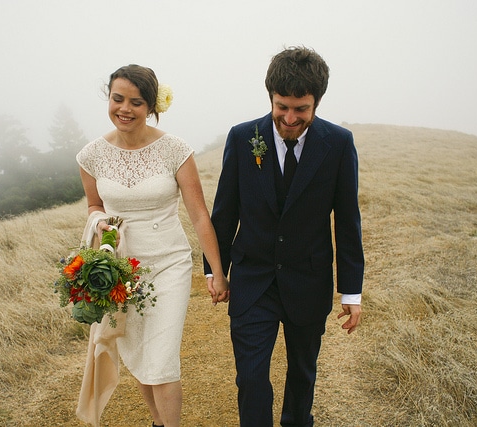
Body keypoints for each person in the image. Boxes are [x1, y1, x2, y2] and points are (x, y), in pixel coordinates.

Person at [204, 46, 364, 426]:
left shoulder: (339, 143)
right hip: (252, 280)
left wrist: (351, 292)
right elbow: (225, 212)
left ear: (317, 102)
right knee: (251, 378)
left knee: (302, 374)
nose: (290, 119)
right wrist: (215, 271)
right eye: (282, 107)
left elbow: (347, 220)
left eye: (301, 109)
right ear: (271, 97)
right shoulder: (242, 137)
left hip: (309, 280)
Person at [76, 64, 229, 427]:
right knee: (139, 355)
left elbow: (199, 215)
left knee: (161, 359)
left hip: (169, 264)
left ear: (151, 106)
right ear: (109, 98)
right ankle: (159, 421)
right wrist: (100, 222)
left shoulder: (175, 150)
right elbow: (94, 205)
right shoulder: (90, 156)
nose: (125, 109)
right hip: (122, 270)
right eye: (118, 99)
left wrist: (217, 272)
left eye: (136, 102)